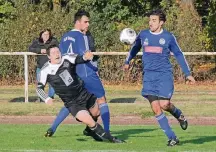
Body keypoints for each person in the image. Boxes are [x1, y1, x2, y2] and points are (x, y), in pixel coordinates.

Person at [123, 9, 195, 146]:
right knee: (156, 108)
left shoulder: (168, 37)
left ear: (161, 23)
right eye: (150, 20)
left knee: (164, 104)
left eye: (154, 20)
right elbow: (134, 48)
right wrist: (127, 61)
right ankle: (172, 137)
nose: (150, 23)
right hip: (149, 76)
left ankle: (179, 115)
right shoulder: (143, 34)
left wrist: (188, 74)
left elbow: (179, 54)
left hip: (164, 75)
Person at [37, 44, 124, 143]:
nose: (57, 54)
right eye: (53, 53)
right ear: (49, 56)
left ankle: (90, 131)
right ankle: (109, 138)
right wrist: (46, 99)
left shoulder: (67, 58)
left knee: (96, 112)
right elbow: (39, 89)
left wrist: (86, 57)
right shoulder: (45, 70)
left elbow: (80, 59)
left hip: (83, 94)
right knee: (91, 122)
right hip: (72, 103)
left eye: (58, 51)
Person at [44, 10, 110, 139]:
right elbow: (84, 56)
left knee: (71, 102)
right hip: (84, 72)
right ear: (77, 22)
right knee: (101, 99)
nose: (88, 24)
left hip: (69, 73)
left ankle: (53, 128)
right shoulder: (82, 36)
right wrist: (93, 63)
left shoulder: (64, 37)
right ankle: (106, 130)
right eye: (85, 22)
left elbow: (61, 57)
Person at [29, 29, 59, 101]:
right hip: (41, 67)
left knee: (52, 84)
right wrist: (40, 50)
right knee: (40, 84)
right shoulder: (37, 41)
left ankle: (50, 97)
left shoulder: (53, 41)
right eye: (44, 34)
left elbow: (59, 49)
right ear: (41, 35)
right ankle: (40, 98)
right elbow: (30, 48)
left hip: (52, 67)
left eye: (47, 34)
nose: (46, 36)